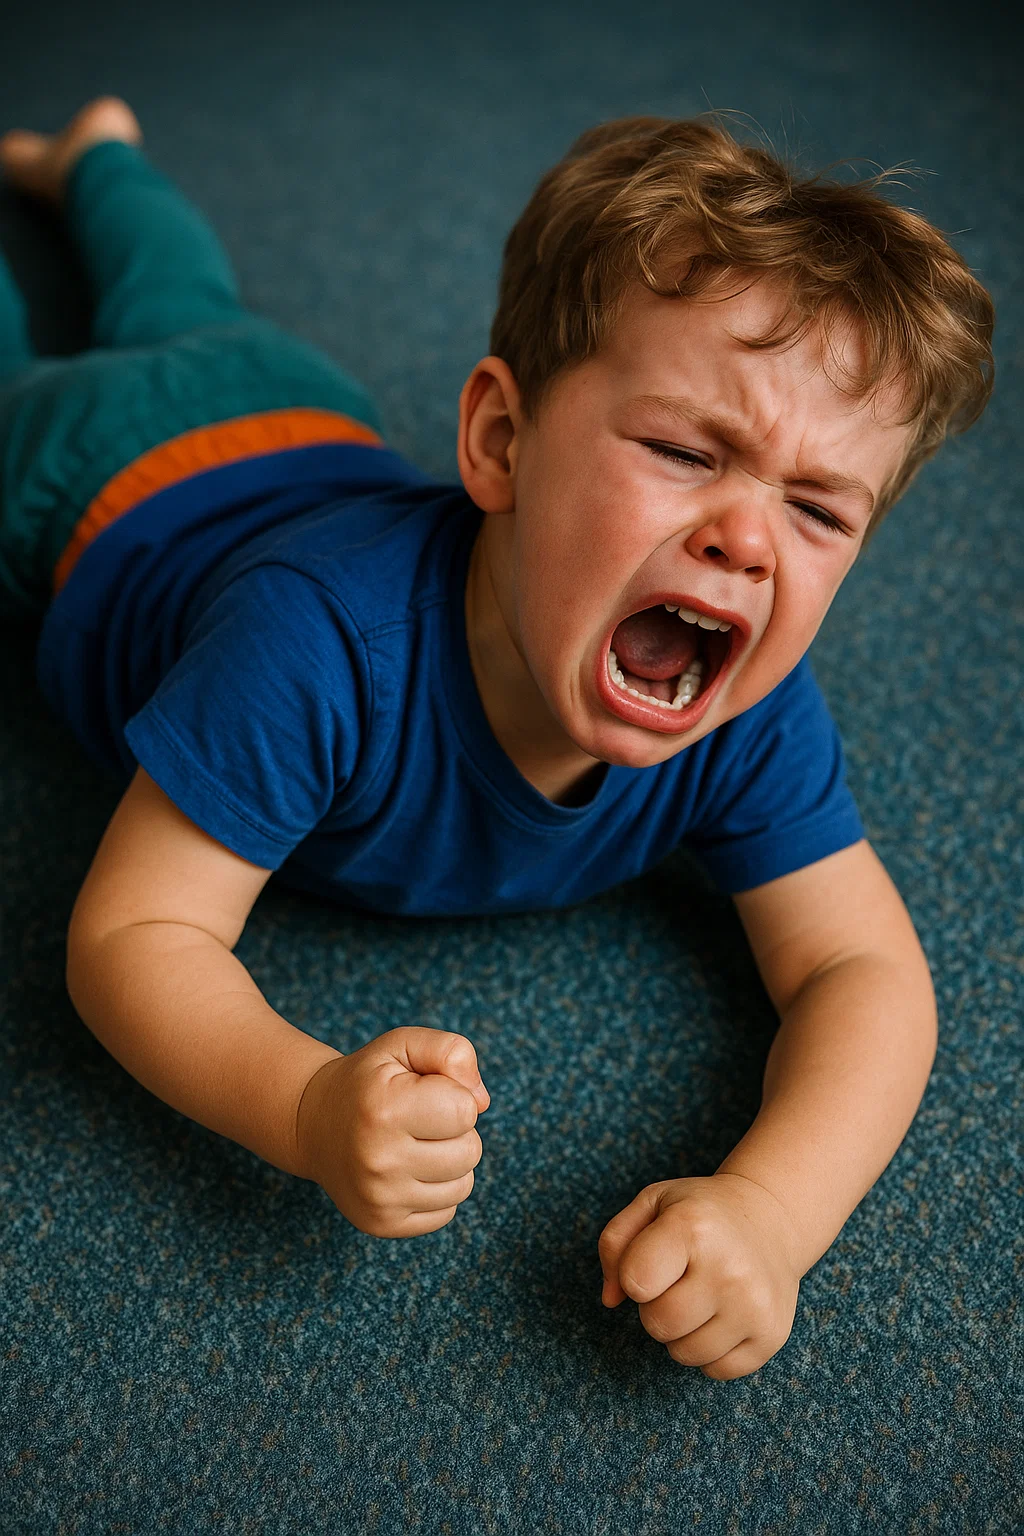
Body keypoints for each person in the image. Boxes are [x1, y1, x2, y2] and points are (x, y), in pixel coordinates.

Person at [0, 97, 994, 1380]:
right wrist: (304, 1103)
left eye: (815, 507)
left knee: (185, 299)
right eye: (688, 450)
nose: (746, 538)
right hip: (104, 473)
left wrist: (778, 1208)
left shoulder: (744, 715)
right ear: (499, 441)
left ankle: (98, 159)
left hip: (297, 410)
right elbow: (132, 935)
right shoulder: (310, 647)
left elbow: (863, 972)